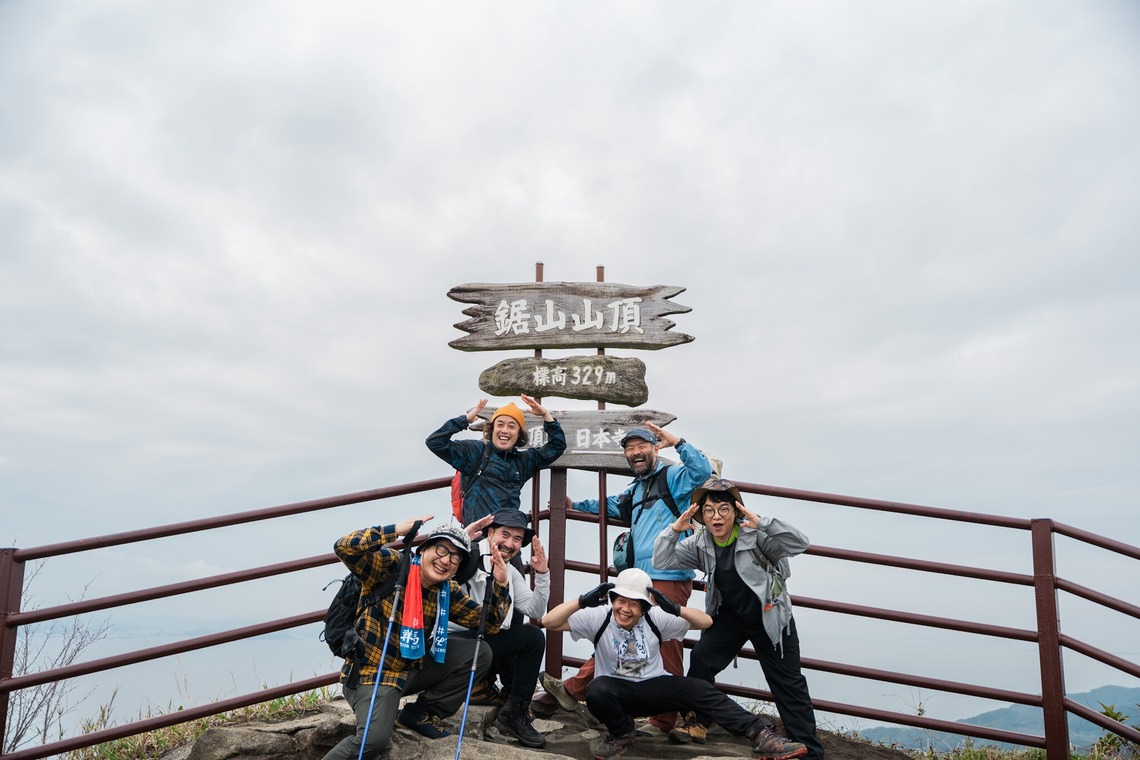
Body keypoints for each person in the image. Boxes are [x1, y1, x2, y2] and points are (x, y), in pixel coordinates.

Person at [541, 422, 711, 735]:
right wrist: (576, 506)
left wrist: (679, 441)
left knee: (666, 642)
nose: (635, 453)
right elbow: (612, 506)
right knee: (617, 633)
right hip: (639, 578)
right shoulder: (636, 489)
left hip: (669, 574)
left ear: (655, 448)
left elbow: (702, 472)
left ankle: (663, 720)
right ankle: (573, 689)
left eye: (641, 446)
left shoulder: (673, 477)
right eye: (629, 449)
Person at [540, 568, 807, 760]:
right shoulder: (598, 617)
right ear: (612, 600)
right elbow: (549, 622)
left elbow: (706, 622)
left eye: (635, 604)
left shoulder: (656, 618)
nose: (626, 609)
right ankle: (621, 733)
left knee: (698, 689)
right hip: (615, 692)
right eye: (621, 601)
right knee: (597, 688)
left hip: (654, 687)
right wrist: (581, 601)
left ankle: (761, 734)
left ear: (645, 607)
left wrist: (676, 609)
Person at [652, 478, 825, 759]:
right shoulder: (700, 542)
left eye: (723, 509)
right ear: (701, 515)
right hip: (730, 617)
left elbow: (800, 543)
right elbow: (662, 560)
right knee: (702, 660)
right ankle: (698, 722)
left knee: (788, 685)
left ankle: (810, 753)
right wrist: (673, 530)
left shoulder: (756, 536)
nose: (716, 516)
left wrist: (764, 523)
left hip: (770, 618)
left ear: (736, 511)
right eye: (708, 511)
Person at [321, 515, 511, 760]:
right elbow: (344, 547)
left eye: (455, 558)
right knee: (372, 741)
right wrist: (396, 530)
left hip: (412, 668)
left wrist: (501, 583)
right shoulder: (392, 567)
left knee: (480, 651)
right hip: (373, 675)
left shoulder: (446, 590)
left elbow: (490, 624)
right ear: (424, 549)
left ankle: (420, 713)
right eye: (442, 549)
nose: (446, 561)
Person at [436, 509, 550, 748]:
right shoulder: (469, 556)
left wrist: (542, 574)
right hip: (449, 643)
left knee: (532, 637)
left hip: (481, 641)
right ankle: (497, 696)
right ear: (490, 532)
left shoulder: (510, 571)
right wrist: (462, 539)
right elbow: (441, 563)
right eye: (504, 534)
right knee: (507, 631)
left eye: (517, 539)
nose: (509, 544)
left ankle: (514, 712)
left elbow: (536, 610)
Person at [427, 395, 567, 526]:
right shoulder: (475, 452)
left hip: (507, 541)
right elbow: (435, 442)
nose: (505, 430)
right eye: (500, 424)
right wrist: (464, 420)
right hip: (477, 541)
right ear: (492, 429)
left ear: (518, 434)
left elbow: (557, 446)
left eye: (512, 426)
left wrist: (546, 415)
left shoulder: (523, 461)